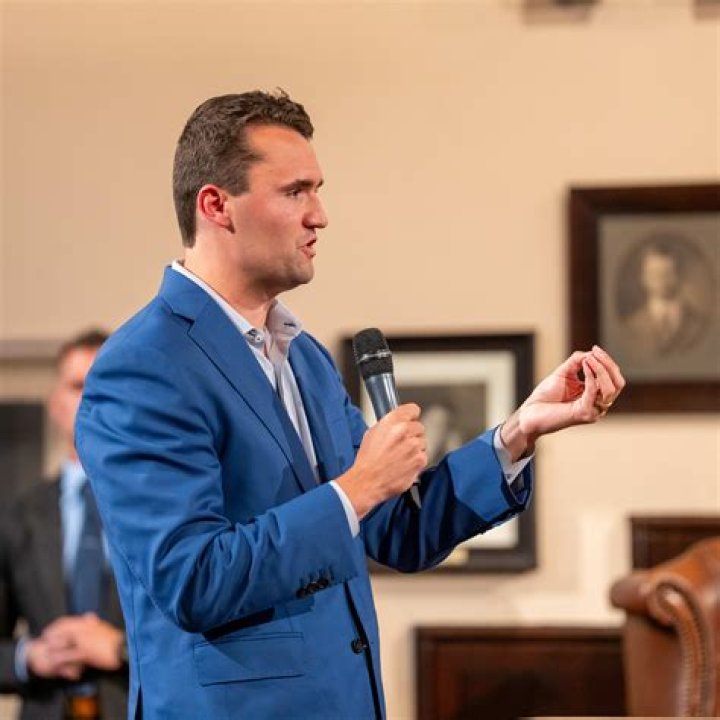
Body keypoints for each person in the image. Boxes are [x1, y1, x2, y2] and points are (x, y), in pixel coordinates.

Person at [75, 91, 625, 720]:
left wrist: (519, 432)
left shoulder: (304, 357)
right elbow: (193, 578)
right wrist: (355, 489)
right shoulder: (144, 366)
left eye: (317, 191)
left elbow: (401, 531)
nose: (320, 216)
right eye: (295, 192)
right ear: (216, 205)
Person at [0, 330, 128, 720]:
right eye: (77, 386)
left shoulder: (163, 506)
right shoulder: (18, 515)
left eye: (105, 383)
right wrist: (29, 656)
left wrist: (121, 649)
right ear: (56, 403)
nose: (91, 398)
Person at [620, 237, 709, 361]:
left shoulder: (698, 324)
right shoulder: (631, 326)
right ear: (643, 277)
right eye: (654, 273)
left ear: (679, 275)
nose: (660, 280)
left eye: (667, 273)